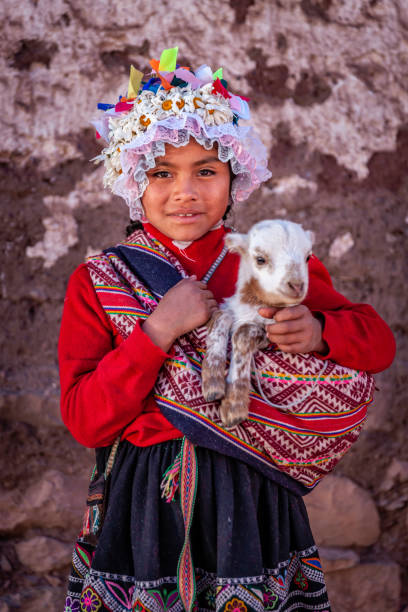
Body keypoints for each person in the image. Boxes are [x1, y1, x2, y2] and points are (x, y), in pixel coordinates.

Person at [59, 48, 395, 612]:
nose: (185, 191)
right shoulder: (97, 282)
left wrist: (316, 332)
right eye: (162, 173)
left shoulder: (269, 261)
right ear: (132, 181)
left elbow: (376, 342)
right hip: (146, 500)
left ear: (236, 178)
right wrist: (157, 333)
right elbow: (86, 418)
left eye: (206, 171)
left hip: (254, 492)